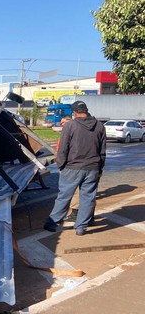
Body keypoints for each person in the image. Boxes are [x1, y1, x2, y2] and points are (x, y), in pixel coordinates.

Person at [43, 101, 106, 235]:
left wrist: (61, 165)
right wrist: (99, 169)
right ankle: (81, 228)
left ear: (74, 113)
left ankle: (53, 223)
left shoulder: (70, 125)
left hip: (72, 167)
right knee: (88, 198)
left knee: (64, 197)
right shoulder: (100, 126)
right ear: (86, 110)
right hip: (92, 168)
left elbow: (63, 149)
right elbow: (102, 151)